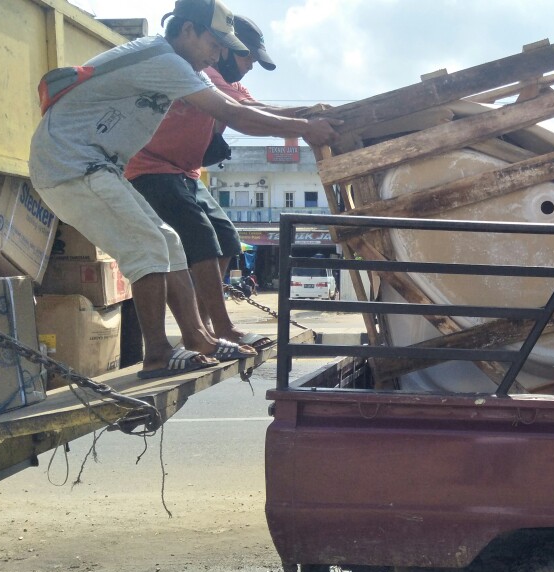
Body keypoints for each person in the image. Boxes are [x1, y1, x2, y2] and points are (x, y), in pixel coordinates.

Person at [29, 0, 342, 379]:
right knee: (146, 245)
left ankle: (198, 338)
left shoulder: (187, 66)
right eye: (214, 42)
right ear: (187, 30)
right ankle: (158, 353)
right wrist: (307, 128)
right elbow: (235, 114)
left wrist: (306, 117)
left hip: (97, 164)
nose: (219, 52)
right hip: (69, 162)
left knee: (170, 242)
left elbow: (234, 105)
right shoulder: (164, 59)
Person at [126, 14, 316, 352]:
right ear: (226, 50)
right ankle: (219, 328)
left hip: (185, 172)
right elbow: (242, 117)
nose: (250, 66)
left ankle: (203, 327)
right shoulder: (207, 75)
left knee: (228, 240)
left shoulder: (228, 82)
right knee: (199, 237)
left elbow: (256, 108)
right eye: (246, 57)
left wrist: (312, 113)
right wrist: (307, 125)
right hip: (151, 167)